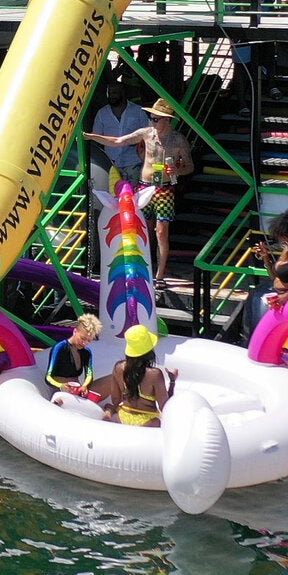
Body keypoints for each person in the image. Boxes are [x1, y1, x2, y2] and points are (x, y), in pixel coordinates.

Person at [125, 101, 193, 289]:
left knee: (161, 232)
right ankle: (142, 270)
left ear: (166, 120)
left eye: (156, 119)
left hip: (164, 188)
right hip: (145, 186)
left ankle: (159, 275)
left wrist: (176, 171)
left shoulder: (177, 140)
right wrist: (92, 137)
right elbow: (122, 141)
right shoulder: (147, 134)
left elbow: (189, 166)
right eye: (151, 118)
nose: (152, 122)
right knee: (143, 229)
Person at [96, 324, 173, 427]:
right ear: (149, 350)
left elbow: (115, 400)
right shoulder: (155, 374)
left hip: (123, 417)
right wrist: (172, 382)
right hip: (148, 422)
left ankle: (108, 412)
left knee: (110, 406)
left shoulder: (118, 368)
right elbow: (165, 407)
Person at [90, 80, 152, 204]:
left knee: (133, 197)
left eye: (115, 92)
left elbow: (148, 134)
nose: (112, 96)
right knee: (112, 198)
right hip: (110, 163)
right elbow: (96, 138)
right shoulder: (102, 113)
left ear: (123, 93)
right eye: (109, 93)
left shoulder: (138, 111)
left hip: (133, 163)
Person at [45, 313, 100, 396]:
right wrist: (61, 386)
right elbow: (48, 377)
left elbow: (89, 374)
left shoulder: (87, 352)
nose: (85, 343)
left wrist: (85, 386)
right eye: (83, 338)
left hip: (76, 391)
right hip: (59, 390)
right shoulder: (60, 347)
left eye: (89, 340)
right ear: (75, 331)